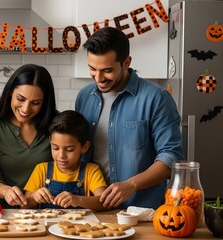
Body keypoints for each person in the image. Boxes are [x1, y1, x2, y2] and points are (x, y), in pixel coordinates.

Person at [75, 27, 184, 209]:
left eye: (107, 70)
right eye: (92, 69)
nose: (99, 78)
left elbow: (171, 157)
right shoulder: (84, 96)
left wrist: (130, 185)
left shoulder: (156, 98)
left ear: (126, 63)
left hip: (141, 211)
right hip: (93, 209)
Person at [0, 64, 58, 208]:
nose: (26, 109)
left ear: (45, 103)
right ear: (10, 92)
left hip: (48, 210)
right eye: (20, 98)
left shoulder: (56, 125)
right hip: (4, 212)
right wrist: (6, 190)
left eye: (36, 103)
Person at [24, 110, 108, 211]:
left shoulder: (91, 171)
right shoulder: (41, 169)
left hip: (80, 225)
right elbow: (25, 205)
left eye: (69, 150)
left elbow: (104, 203)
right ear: (50, 141)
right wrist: (34, 197)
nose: (61, 155)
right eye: (55, 148)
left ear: (85, 147)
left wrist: (78, 200)